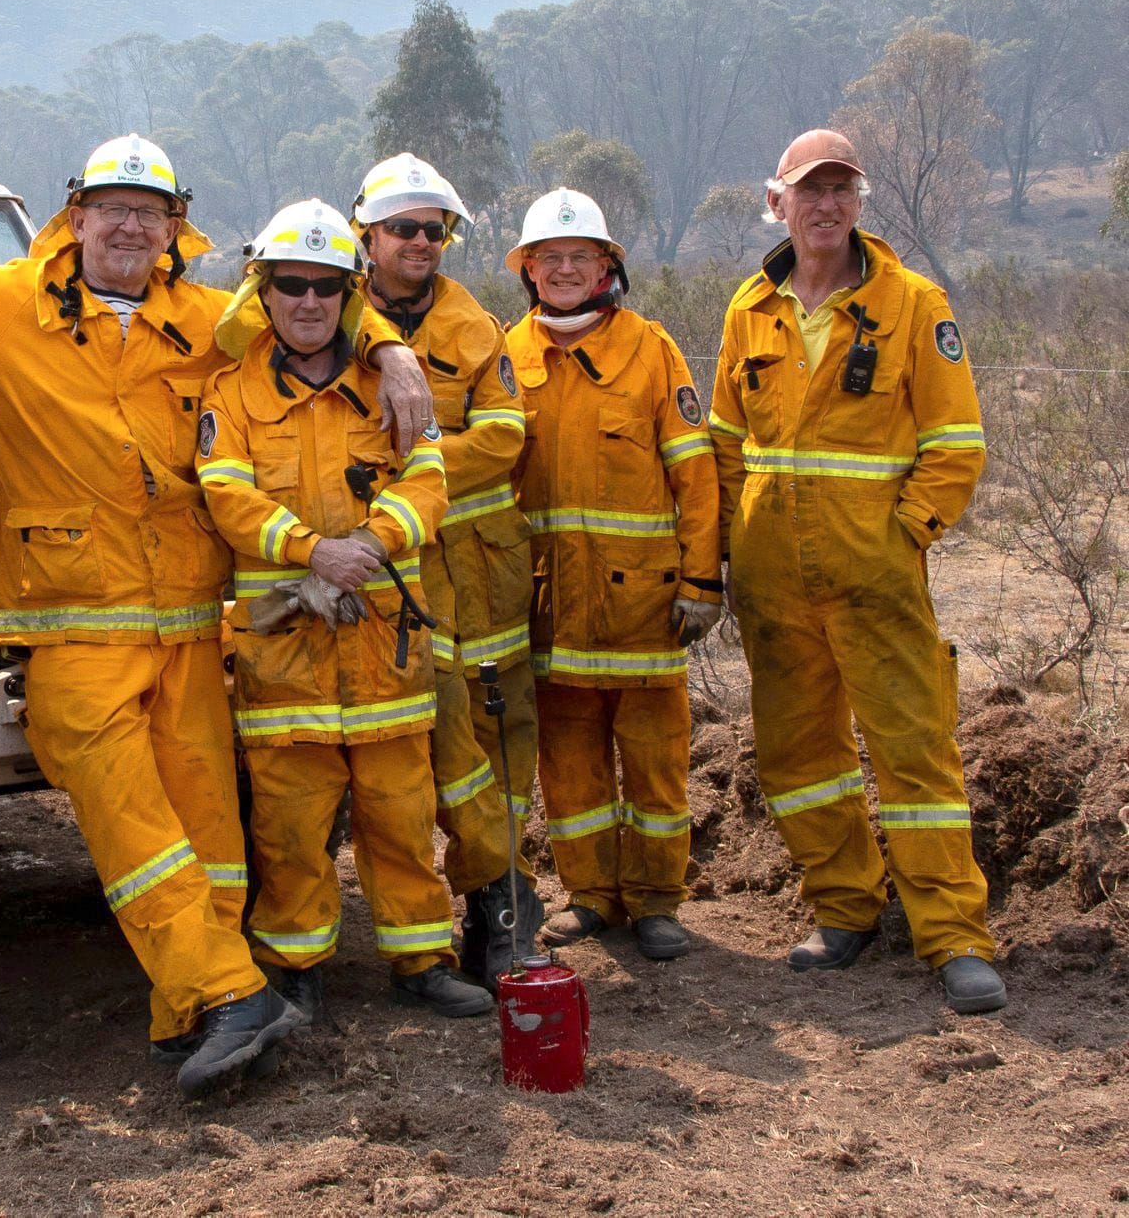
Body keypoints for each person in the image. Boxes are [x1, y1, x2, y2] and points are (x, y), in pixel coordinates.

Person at [0, 136, 438, 1096]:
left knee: (207, 822)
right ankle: (232, 989)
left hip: (188, 623)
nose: (128, 224)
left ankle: (186, 1016)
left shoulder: (211, 319)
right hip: (71, 623)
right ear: (74, 216)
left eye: (148, 210)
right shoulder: (3, 302)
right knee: (130, 824)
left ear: (175, 227)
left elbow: (318, 310)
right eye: (110, 207)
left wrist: (395, 348)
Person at [708, 129, 1004, 1014]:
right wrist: (729, 540)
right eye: (810, 190)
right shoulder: (747, 310)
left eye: (841, 190)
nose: (826, 205)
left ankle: (952, 936)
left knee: (914, 748)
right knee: (800, 755)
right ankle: (845, 910)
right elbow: (724, 444)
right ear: (778, 203)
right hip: (771, 577)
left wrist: (907, 532)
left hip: (875, 571)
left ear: (859, 202)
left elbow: (956, 443)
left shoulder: (914, 303)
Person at [198, 199, 493, 1024]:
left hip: (383, 651)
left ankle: (421, 959)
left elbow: (429, 476)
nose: (307, 301)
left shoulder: (390, 384)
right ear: (263, 292)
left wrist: (372, 540)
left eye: (325, 286)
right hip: (286, 658)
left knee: (401, 815)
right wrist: (309, 549)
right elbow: (225, 492)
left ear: (349, 294)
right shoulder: (232, 393)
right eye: (290, 285)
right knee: (290, 831)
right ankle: (297, 970)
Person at [505, 189, 720, 961]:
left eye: (580, 257)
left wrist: (702, 582)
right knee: (567, 761)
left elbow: (695, 473)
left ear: (607, 267)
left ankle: (658, 900)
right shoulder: (508, 356)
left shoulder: (651, 350)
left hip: (644, 608)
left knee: (657, 758)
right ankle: (591, 894)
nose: (564, 270)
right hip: (548, 606)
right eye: (549, 258)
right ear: (528, 269)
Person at [350, 153, 544, 983]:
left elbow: (504, 436)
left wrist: (411, 465)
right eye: (403, 228)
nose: (422, 242)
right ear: (366, 235)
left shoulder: (473, 327)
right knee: (383, 747)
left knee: (484, 740)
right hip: (372, 573)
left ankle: (499, 906)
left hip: (470, 569)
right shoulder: (321, 299)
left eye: (435, 230)